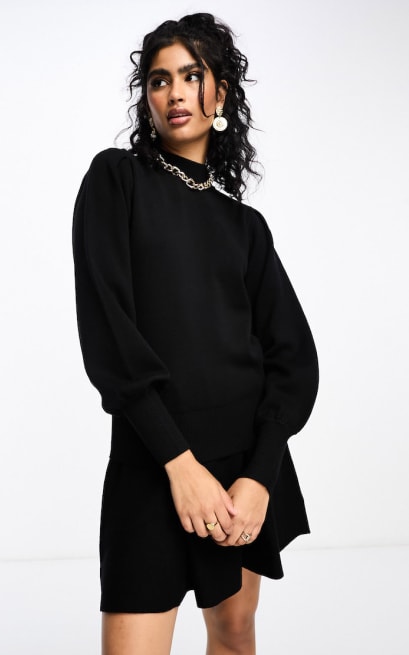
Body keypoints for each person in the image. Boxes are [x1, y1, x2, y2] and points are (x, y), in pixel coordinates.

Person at [72, 13, 318, 655]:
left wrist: (260, 476)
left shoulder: (245, 227)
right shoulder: (116, 181)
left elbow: (292, 358)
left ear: (221, 94)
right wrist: (179, 464)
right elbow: (108, 330)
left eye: (191, 76)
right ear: (147, 97)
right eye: (159, 80)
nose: (175, 93)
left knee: (234, 637)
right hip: (154, 461)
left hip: (243, 469)